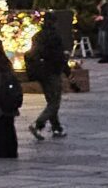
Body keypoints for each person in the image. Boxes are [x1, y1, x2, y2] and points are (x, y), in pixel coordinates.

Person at [26, 11, 70, 141]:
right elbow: (59, 56)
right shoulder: (55, 37)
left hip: (40, 72)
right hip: (52, 71)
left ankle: (56, 128)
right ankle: (38, 124)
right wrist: (66, 70)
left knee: (51, 100)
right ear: (55, 22)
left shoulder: (37, 36)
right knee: (54, 102)